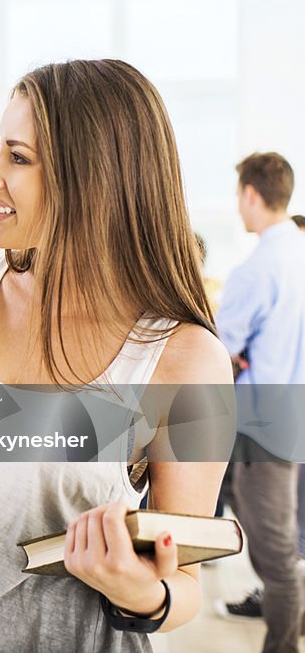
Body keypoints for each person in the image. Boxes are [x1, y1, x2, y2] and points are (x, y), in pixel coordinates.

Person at [0, 59, 232, 652]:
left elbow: (185, 578)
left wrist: (141, 591)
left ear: (93, 179)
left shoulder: (183, 359)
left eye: (18, 157)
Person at [214, 152, 305, 653]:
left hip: (265, 424)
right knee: (274, 531)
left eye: (239, 197)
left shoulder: (259, 267)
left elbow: (219, 349)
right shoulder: (300, 251)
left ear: (251, 194)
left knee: (275, 554)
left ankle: (284, 646)